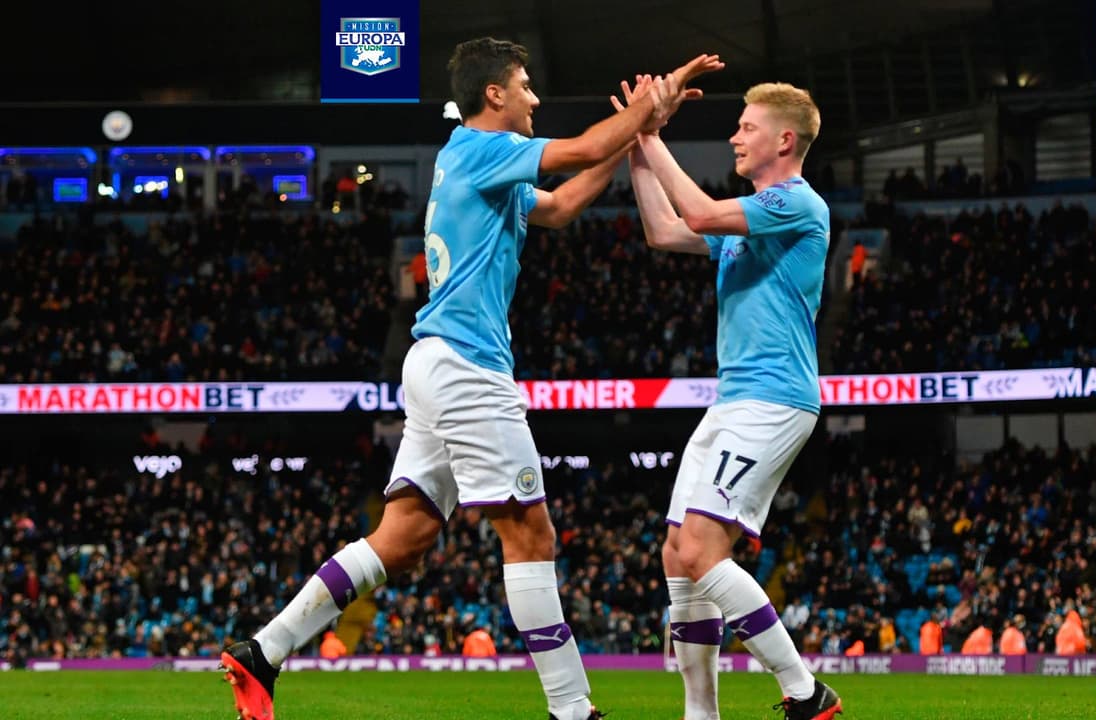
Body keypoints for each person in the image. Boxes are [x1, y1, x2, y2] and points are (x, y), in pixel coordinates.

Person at [219, 37, 722, 720]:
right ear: (495, 96)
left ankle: (263, 652)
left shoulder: (489, 171)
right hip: (466, 366)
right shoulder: (479, 150)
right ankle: (574, 711)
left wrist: (637, 139)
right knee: (531, 536)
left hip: (435, 363)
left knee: (404, 538)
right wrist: (642, 114)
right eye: (525, 85)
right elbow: (574, 151)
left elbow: (565, 202)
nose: (535, 98)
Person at [616, 78, 839, 719]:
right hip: (733, 399)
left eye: (747, 126)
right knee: (676, 555)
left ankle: (805, 691)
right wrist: (636, 145)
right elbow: (664, 229)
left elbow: (700, 215)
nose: (735, 135)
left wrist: (653, 135)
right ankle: (701, 713)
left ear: (785, 139)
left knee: (701, 550)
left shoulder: (797, 203)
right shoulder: (749, 219)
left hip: (775, 399)